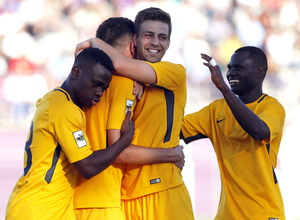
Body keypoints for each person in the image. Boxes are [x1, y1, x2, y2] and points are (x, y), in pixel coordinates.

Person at [75, 7, 194, 220]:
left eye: (163, 37)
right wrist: (171, 154)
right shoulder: (118, 82)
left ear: (169, 43)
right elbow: (120, 65)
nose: (156, 42)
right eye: (149, 35)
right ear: (135, 41)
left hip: (164, 192)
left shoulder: (175, 72)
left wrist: (95, 43)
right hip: (123, 199)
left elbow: (120, 63)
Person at [5, 47, 135, 220]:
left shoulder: (56, 100)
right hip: (39, 210)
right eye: (96, 84)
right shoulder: (63, 109)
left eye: (104, 89)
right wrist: (123, 141)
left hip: (47, 208)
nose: (99, 93)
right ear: (76, 72)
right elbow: (87, 166)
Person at [180, 46, 286, 219]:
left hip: (263, 213)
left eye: (238, 68)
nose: (230, 73)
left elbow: (259, 131)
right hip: (226, 215)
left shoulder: (272, 107)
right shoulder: (216, 110)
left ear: (259, 72)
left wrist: (223, 88)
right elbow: (173, 128)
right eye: (229, 68)